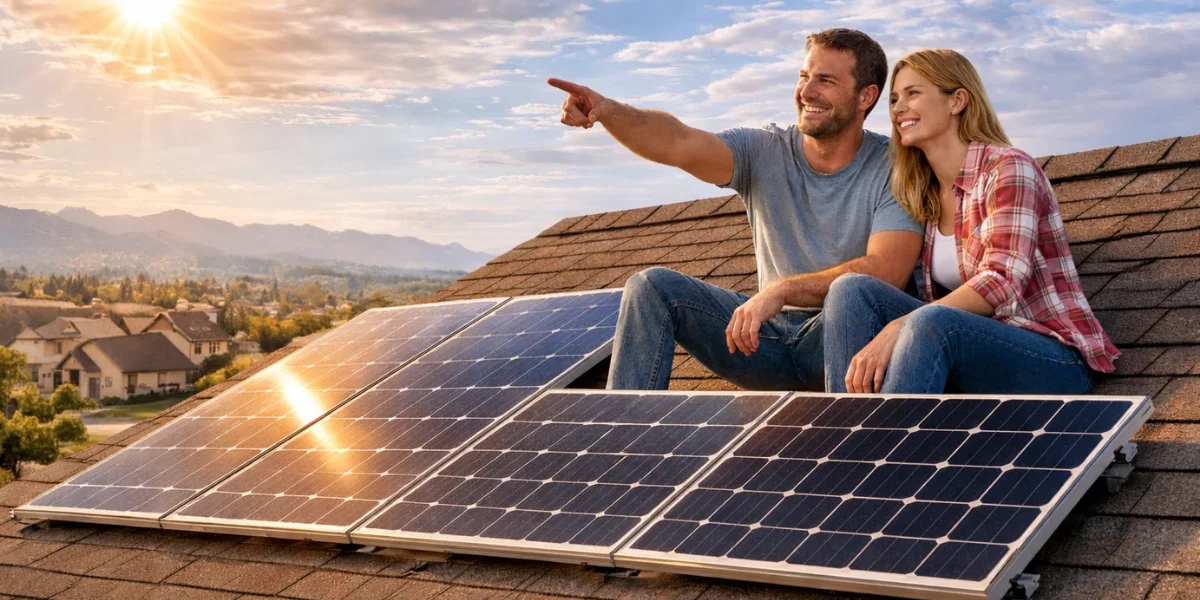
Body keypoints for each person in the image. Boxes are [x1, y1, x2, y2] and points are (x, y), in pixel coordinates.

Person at [549, 28, 923, 392]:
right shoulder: (764, 150)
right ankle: (624, 438)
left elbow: (885, 271)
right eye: (804, 76)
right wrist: (608, 111)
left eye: (825, 80)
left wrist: (782, 290)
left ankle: (849, 443)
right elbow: (679, 142)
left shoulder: (895, 167)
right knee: (652, 287)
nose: (806, 91)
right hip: (766, 343)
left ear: (865, 96)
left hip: (846, 343)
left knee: (849, 293)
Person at [823, 48, 1119, 395]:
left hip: (1051, 356)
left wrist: (899, 326)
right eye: (893, 99)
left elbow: (1001, 281)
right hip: (972, 348)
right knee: (850, 289)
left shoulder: (1008, 168)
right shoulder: (927, 193)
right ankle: (846, 422)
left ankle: (883, 442)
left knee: (931, 320)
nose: (898, 108)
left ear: (957, 100)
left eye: (913, 93)